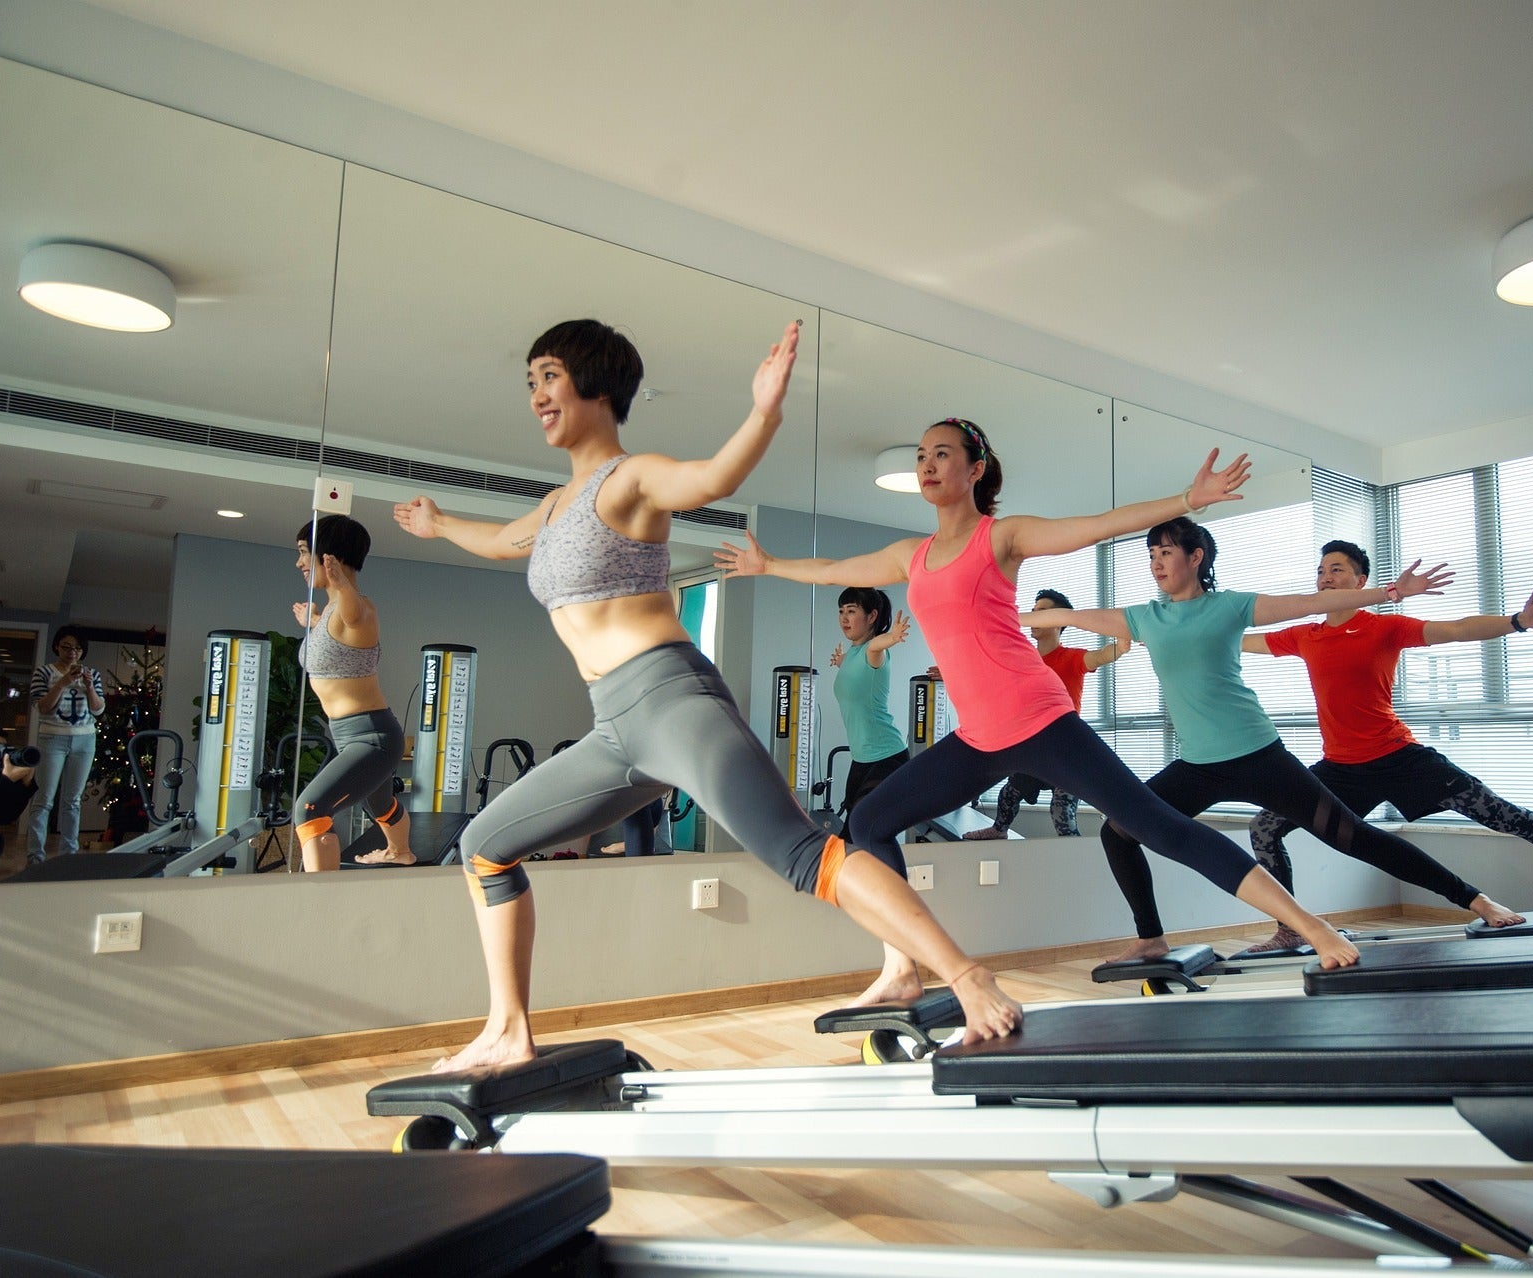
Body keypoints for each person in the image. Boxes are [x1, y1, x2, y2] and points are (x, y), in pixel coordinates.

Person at [395, 319, 1020, 1070]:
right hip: (612, 728)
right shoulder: (554, 507)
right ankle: (507, 1030)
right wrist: (438, 525)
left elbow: (713, 479)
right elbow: (501, 542)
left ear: (596, 384)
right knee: (485, 849)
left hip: (670, 700)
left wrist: (763, 413)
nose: (537, 396)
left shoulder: (630, 478)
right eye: (530, 382)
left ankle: (966, 975)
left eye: (550, 376)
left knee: (801, 854)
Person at [717, 419, 1359, 1009]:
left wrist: (1187, 501)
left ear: (975, 469)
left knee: (1159, 828)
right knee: (868, 820)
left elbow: (1100, 524)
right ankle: (902, 966)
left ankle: (1311, 925)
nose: (927, 465)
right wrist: (768, 564)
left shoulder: (1002, 535)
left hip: (1041, 720)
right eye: (921, 456)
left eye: (942, 454)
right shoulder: (911, 555)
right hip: (977, 737)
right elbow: (833, 571)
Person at [1030, 517, 1526, 960]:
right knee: (1119, 831)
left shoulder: (1229, 608)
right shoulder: (1142, 618)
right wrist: (985, 619)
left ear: (1195, 557)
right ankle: (1151, 938)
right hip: (1197, 765)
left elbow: (1311, 602)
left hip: (1257, 756)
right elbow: (1059, 618)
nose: (1156, 563)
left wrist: (1389, 594)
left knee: (1352, 837)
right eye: (1152, 554)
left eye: (1166, 552)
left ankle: (1474, 899)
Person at [1238, 539, 1533, 902]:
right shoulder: (1303, 636)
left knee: (1509, 817)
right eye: (1321, 571)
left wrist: (1517, 622)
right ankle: (1291, 928)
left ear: (1360, 582)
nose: (1325, 577)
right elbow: (1239, 642)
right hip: (1340, 769)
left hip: (1401, 758)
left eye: (1336, 569)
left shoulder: (1382, 628)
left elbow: (1458, 629)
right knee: (1264, 827)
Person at [289, 514, 415, 871]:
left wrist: (341, 585)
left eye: (303, 552)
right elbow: (339, 638)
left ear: (329, 556)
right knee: (379, 803)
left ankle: (324, 899)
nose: (299, 562)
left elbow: (355, 616)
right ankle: (400, 851)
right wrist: (313, 622)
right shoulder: (332, 612)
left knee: (310, 808)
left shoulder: (356, 607)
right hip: (353, 735)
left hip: (371, 737)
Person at [964, 588, 1121, 840]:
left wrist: (1120, 645)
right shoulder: (1023, 661)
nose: (1034, 617)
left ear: (1060, 621)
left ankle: (1078, 862)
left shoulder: (1070, 658)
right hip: (1034, 750)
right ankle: (998, 831)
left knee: (1062, 817)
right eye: (1033, 611)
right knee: (1009, 794)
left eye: (1042, 612)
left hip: (1067, 753)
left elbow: (1099, 657)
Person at [827, 586, 913, 839]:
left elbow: (879, 644)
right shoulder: (853, 653)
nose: (844, 618)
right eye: (841, 611)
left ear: (872, 616)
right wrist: (842, 662)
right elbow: (857, 672)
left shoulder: (875, 650)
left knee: (859, 830)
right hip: (862, 759)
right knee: (854, 830)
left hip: (887, 758)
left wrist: (893, 636)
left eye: (852, 611)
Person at [26, 626, 104, 862]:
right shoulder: (44, 673)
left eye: (78, 648)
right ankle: (35, 857)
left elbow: (98, 709)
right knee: (44, 798)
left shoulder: (92, 674)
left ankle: (69, 855)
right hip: (52, 738)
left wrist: (89, 686)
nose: (72, 653)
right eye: (67, 647)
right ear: (57, 647)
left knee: (73, 800)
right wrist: (62, 684)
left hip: (85, 739)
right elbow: (42, 707)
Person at [0, 718, 39, 873]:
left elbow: (6, 816)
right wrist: (6, 781)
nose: (0, 756)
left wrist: (25, 785)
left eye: (3, 749)